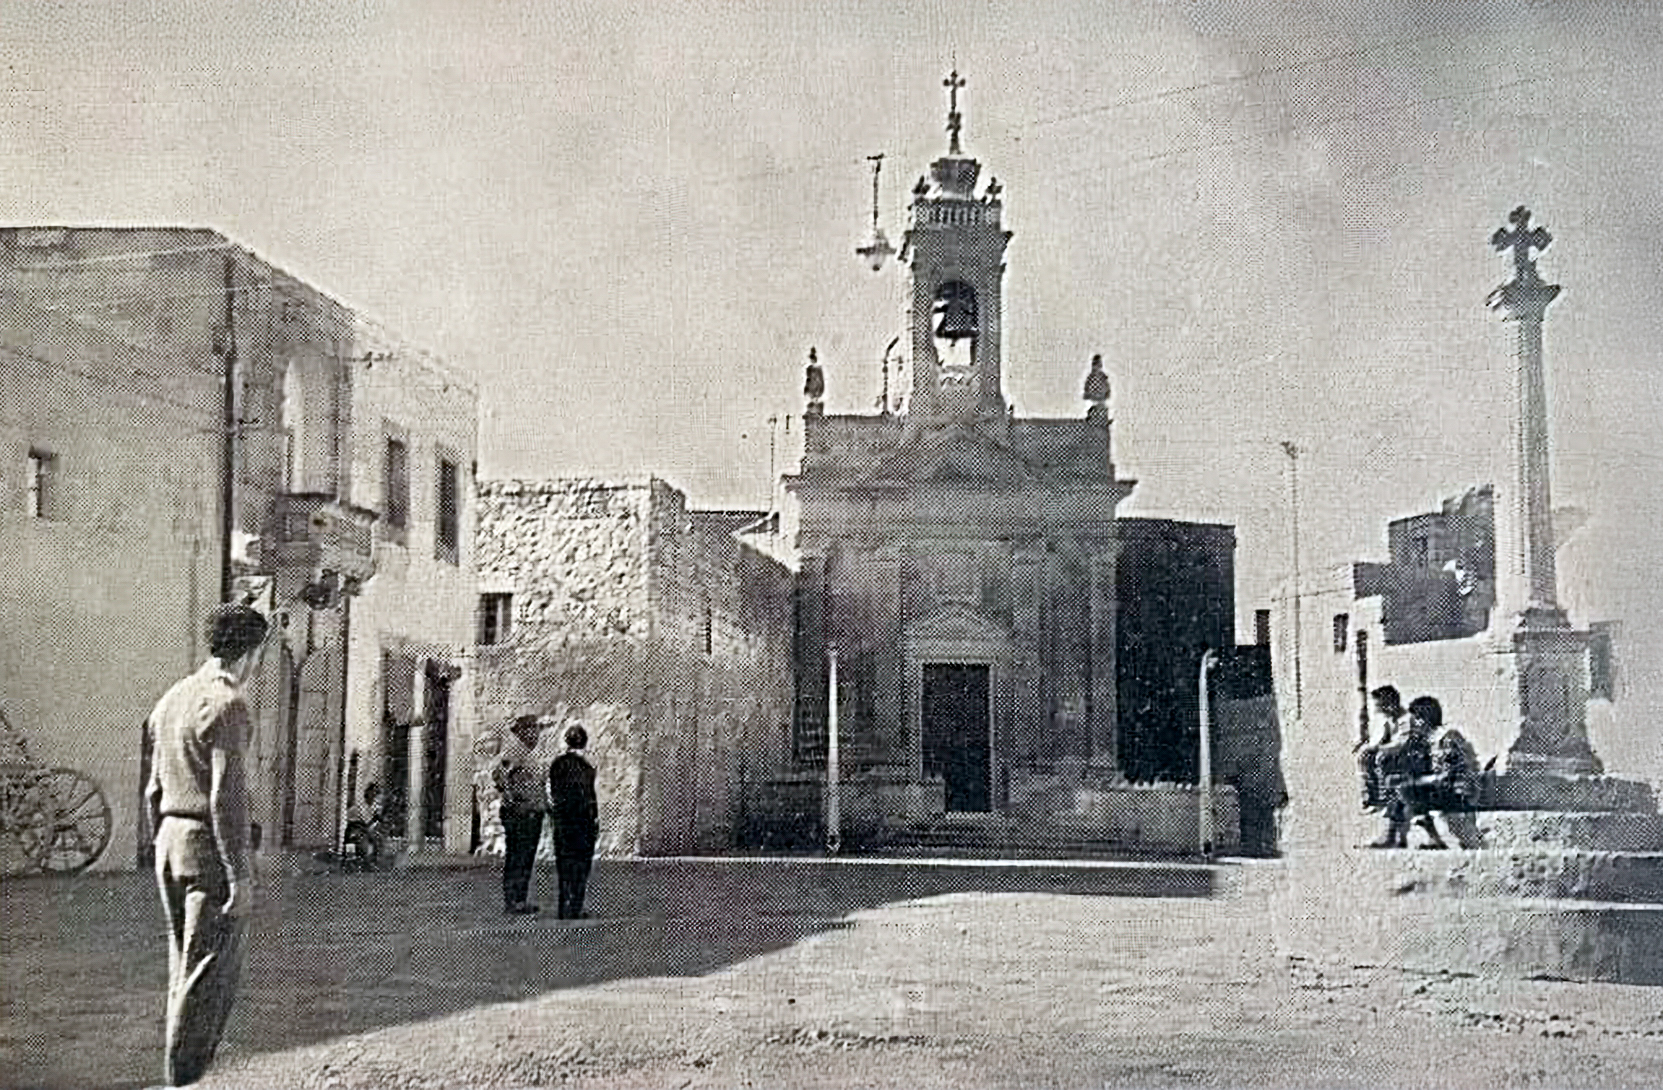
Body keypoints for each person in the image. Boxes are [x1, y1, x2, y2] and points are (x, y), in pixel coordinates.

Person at [144, 601, 269, 1087]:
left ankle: (180, 1075)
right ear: (251, 652)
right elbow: (226, 796)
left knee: (185, 970)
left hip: (172, 843)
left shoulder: (173, 698)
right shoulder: (228, 703)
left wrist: (163, 841)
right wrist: (239, 873)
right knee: (208, 982)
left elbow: (153, 789)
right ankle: (184, 1080)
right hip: (208, 848)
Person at [1397, 707, 1482, 850]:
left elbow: (1448, 776)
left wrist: (1419, 782)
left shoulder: (1446, 738)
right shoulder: (1431, 741)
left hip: (1460, 792)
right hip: (1451, 789)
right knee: (1408, 789)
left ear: (1423, 720)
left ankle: (1438, 835)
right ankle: (1434, 836)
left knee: (1408, 789)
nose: (1412, 725)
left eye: (1414, 720)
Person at [1368, 694, 1438, 848]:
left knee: (1400, 787)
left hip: (1426, 778)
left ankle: (1395, 836)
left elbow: (1403, 747)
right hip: (1418, 776)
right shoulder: (1392, 723)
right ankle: (1396, 837)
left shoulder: (1412, 726)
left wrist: (1378, 750)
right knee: (1397, 790)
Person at [493, 715, 545, 915]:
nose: (535, 735)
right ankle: (513, 900)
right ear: (521, 732)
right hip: (520, 814)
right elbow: (499, 774)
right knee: (518, 857)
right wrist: (511, 798)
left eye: (536, 731)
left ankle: (520, 900)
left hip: (531, 812)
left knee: (525, 857)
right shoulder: (515, 752)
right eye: (531, 730)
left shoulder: (529, 753)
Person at [547, 724, 599, 920]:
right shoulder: (586, 767)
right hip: (582, 822)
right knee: (580, 865)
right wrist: (593, 820)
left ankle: (563, 906)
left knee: (564, 864)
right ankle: (575, 906)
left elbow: (552, 792)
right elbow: (589, 797)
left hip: (562, 821)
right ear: (584, 742)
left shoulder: (557, 764)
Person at [1356, 685, 1408, 811]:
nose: (1378, 710)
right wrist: (1367, 746)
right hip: (1393, 754)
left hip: (1410, 758)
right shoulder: (1387, 719)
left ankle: (1388, 798)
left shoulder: (1405, 719)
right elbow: (1379, 739)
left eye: (1380, 706)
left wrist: (1378, 749)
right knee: (1365, 756)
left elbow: (1402, 744)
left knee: (1382, 757)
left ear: (1391, 704)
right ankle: (1371, 798)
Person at [343, 782, 386, 869]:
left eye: (376, 793)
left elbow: (374, 823)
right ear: (367, 793)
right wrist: (375, 819)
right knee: (361, 839)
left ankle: (372, 861)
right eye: (372, 792)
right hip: (356, 827)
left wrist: (378, 820)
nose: (374, 795)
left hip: (367, 829)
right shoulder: (360, 806)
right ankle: (356, 861)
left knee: (378, 837)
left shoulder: (375, 806)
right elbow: (364, 823)